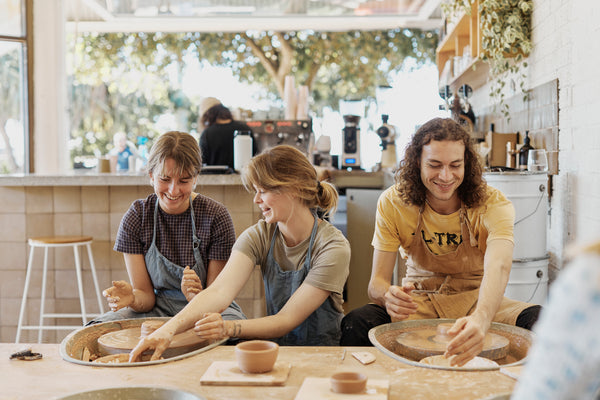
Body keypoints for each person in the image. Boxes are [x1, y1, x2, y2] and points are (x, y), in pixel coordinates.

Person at [340, 118, 541, 367]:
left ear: (466, 163)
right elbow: (376, 284)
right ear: (417, 162)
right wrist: (388, 296)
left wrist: (481, 319)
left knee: (541, 322)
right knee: (357, 322)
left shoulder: (492, 202)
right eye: (434, 165)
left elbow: (499, 265)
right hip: (418, 302)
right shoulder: (393, 202)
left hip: (476, 300)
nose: (446, 176)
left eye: (455, 165)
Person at [129, 145, 350, 361]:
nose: (256, 200)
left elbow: (287, 318)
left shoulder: (333, 247)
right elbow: (219, 292)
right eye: (256, 191)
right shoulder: (259, 235)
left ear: (295, 189)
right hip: (278, 353)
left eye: (263, 191)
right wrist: (167, 330)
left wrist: (228, 327)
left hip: (324, 357)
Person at [90, 131, 245, 324]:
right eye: (165, 179)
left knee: (232, 333)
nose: (173, 190)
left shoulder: (216, 216)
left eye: (184, 181)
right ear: (151, 176)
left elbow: (217, 296)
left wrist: (197, 298)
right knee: (100, 328)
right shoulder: (137, 216)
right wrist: (132, 298)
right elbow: (146, 298)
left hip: (210, 310)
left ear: (196, 178)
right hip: (157, 310)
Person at [511, 240, 600, 400]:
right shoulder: (588, 279)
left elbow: (499, 267)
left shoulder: (587, 277)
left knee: (534, 315)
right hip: (456, 305)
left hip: (484, 300)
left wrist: (482, 315)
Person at [198, 97, 256, 169]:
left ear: (208, 115)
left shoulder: (207, 134)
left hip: (214, 179)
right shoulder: (244, 129)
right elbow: (255, 156)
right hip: (244, 177)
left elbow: (201, 163)